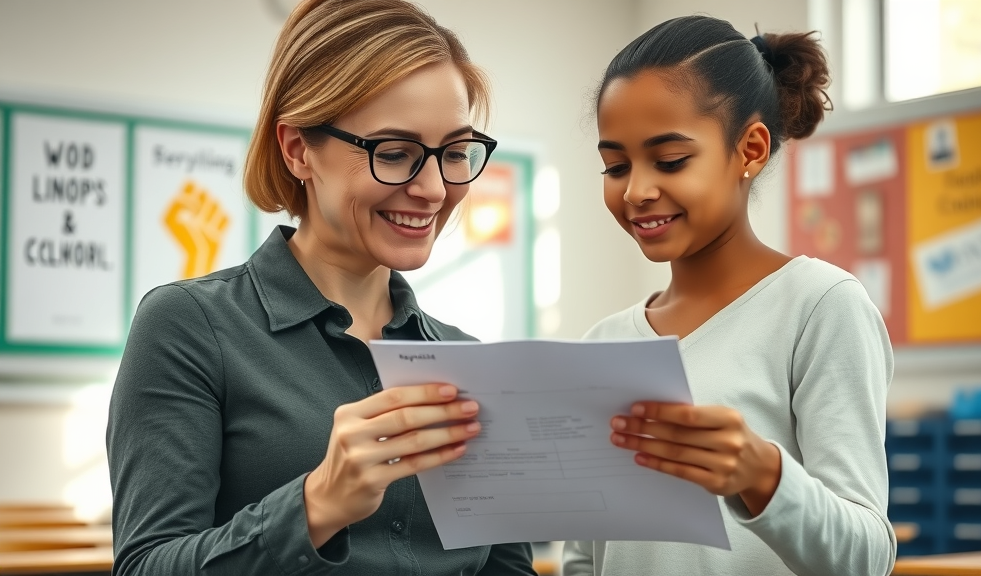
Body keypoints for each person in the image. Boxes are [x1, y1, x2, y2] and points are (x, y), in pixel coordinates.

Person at [106, 1, 536, 574]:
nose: (434, 188)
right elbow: (145, 566)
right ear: (298, 149)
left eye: (454, 153)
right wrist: (315, 506)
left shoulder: (468, 360)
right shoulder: (188, 327)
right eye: (396, 153)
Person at [562, 15, 895, 576]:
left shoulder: (819, 306)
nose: (638, 191)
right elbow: (584, 559)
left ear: (751, 149)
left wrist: (762, 475)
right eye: (616, 166)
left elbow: (867, 558)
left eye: (670, 161)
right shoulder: (604, 342)